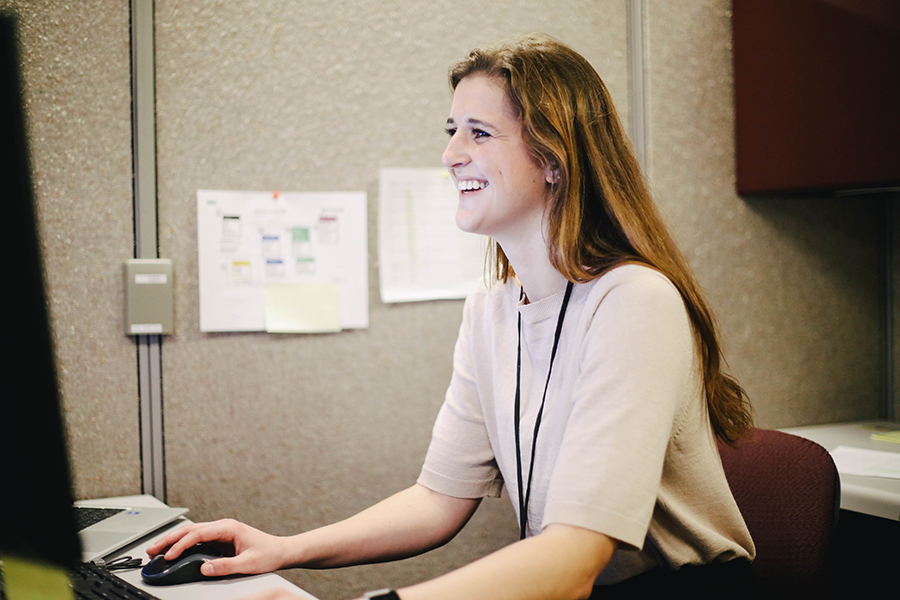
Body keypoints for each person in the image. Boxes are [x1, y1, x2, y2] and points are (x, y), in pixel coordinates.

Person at [147, 34, 756, 600]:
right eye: (451, 131)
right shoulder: (490, 311)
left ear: (554, 160)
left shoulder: (633, 302)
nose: (450, 155)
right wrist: (284, 549)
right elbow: (439, 500)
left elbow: (574, 561)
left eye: (479, 134)